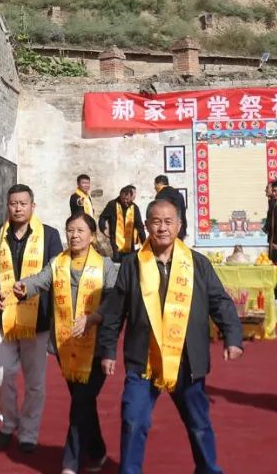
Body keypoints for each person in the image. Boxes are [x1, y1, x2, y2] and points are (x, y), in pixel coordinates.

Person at [98, 199, 243, 474]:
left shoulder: (197, 264)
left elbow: (219, 302)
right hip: (144, 360)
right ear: (146, 226)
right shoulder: (132, 265)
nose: (162, 228)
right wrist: (107, 350)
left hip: (187, 360)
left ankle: (208, 470)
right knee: (133, 421)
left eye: (168, 222)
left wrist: (233, 336)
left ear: (178, 225)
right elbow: (115, 311)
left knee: (199, 424)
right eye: (156, 221)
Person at [13, 213, 119, 474]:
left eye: (81, 231)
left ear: (92, 236)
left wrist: (94, 318)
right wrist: (24, 287)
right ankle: (97, 452)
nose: (74, 235)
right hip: (66, 344)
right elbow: (40, 280)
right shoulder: (57, 263)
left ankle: (70, 463)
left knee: (81, 402)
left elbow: (114, 302)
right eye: (70, 230)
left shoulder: (106, 267)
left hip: (96, 347)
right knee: (84, 402)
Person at [0, 184, 64, 454]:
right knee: (1, 374)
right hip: (3, 317)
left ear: (32, 206)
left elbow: (56, 274)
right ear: (8, 205)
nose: (17, 208)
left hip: (36, 319)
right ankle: (9, 423)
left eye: (22, 203)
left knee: (35, 382)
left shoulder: (49, 236)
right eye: (13, 203)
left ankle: (28, 432)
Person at [98, 185, 146, 262]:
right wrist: (103, 229)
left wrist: (144, 242)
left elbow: (139, 226)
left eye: (127, 199)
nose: (125, 201)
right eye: (123, 199)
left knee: (129, 260)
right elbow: (103, 217)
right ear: (120, 196)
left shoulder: (135, 208)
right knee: (117, 258)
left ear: (131, 197)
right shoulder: (112, 204)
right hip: (115, 238)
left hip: (129, 240)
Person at [153, 174, 188, 240]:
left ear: (159, 184)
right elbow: (183, 213)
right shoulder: (179, 194)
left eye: (155, 185)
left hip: (167, 232)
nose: (154, 187)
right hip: (180, 229)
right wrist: (184, 230)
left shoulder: (160, 195)